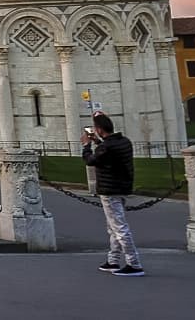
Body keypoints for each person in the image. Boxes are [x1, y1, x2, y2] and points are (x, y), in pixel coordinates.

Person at [84, 113, 143, 276]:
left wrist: (86, 146)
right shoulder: (124, 142)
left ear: (99, 129)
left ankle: (134, 263)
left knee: (119, 227)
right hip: (122, 187)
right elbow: (108, 153)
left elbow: (91, 160)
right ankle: (113, 260)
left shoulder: (107, 147)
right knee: (113, 227)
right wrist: (97, 142)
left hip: (110, 191)